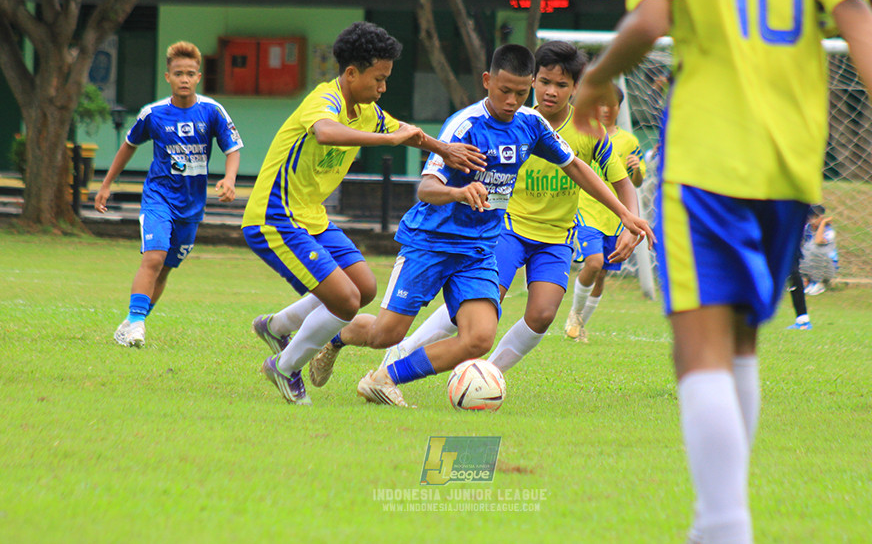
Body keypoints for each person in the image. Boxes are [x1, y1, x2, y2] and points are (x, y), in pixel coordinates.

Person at [571, 0, 872, 541]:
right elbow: (853, 8)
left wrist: (595, 77)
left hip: (706, 157)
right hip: (790, 161)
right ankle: (718, 526)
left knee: (699, 349)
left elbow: (650, 20)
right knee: (739, 345)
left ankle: (723, 527)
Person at [306, 44, 653, 407]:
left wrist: (625, 214)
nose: (513, 101)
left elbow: (577, 167)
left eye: (521, 93)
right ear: (487, 81)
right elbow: (426, 189)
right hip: (432, 241)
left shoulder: (531, 124)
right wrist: (459, 192)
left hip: (479, 248)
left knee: (479, 338)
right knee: (385, 334)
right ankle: (336, 337)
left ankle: (385, 379)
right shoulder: (465, 125)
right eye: (505, 91)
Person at [246, 21, 485, 405]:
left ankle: (277, 327)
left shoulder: (368, 111)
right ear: (351, 73)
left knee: (365, 288)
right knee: (344, 300)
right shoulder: (324, 100)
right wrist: (386, 139)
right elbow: (326, 132)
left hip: (311, 217)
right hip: (274, 217)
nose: (383, 87)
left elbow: (409, 133)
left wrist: (445, 149)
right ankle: (285, 367)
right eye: (379, 79)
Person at [96, 41, 243, 348]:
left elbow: (232, 149)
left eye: (190, 74)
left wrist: (229, 179)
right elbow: (128, 145)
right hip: (159, 197)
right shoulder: (153, 114)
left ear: (198, 77)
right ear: (168, 77)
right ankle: (136, 324)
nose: (184, 79)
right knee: (154, 257)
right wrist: (107, 183)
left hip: (191, 205)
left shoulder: (212, 111)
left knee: (164, 269)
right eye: (178, 74)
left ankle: (131, 322)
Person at [565, 88, 646, 342]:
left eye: (612, 105)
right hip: (586, 210)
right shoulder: (585, 134)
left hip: (614, 217)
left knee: (601, 274)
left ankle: (579, 325)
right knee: (594, 263)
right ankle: (574, 315)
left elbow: (637, 182)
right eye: (601, 104)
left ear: (619, 108)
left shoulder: (629, 141)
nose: (606, 109)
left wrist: (637, 170)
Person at [801, 204, 838, 295]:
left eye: (816, 217)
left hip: (827, 267)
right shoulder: (807, 229)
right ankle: (804, 281)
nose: (813, 220)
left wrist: (822, 223)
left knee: (815, 249)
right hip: (810, 266)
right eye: (811, 217)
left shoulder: (829, 231)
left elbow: (818, 241)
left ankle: (818, 283)